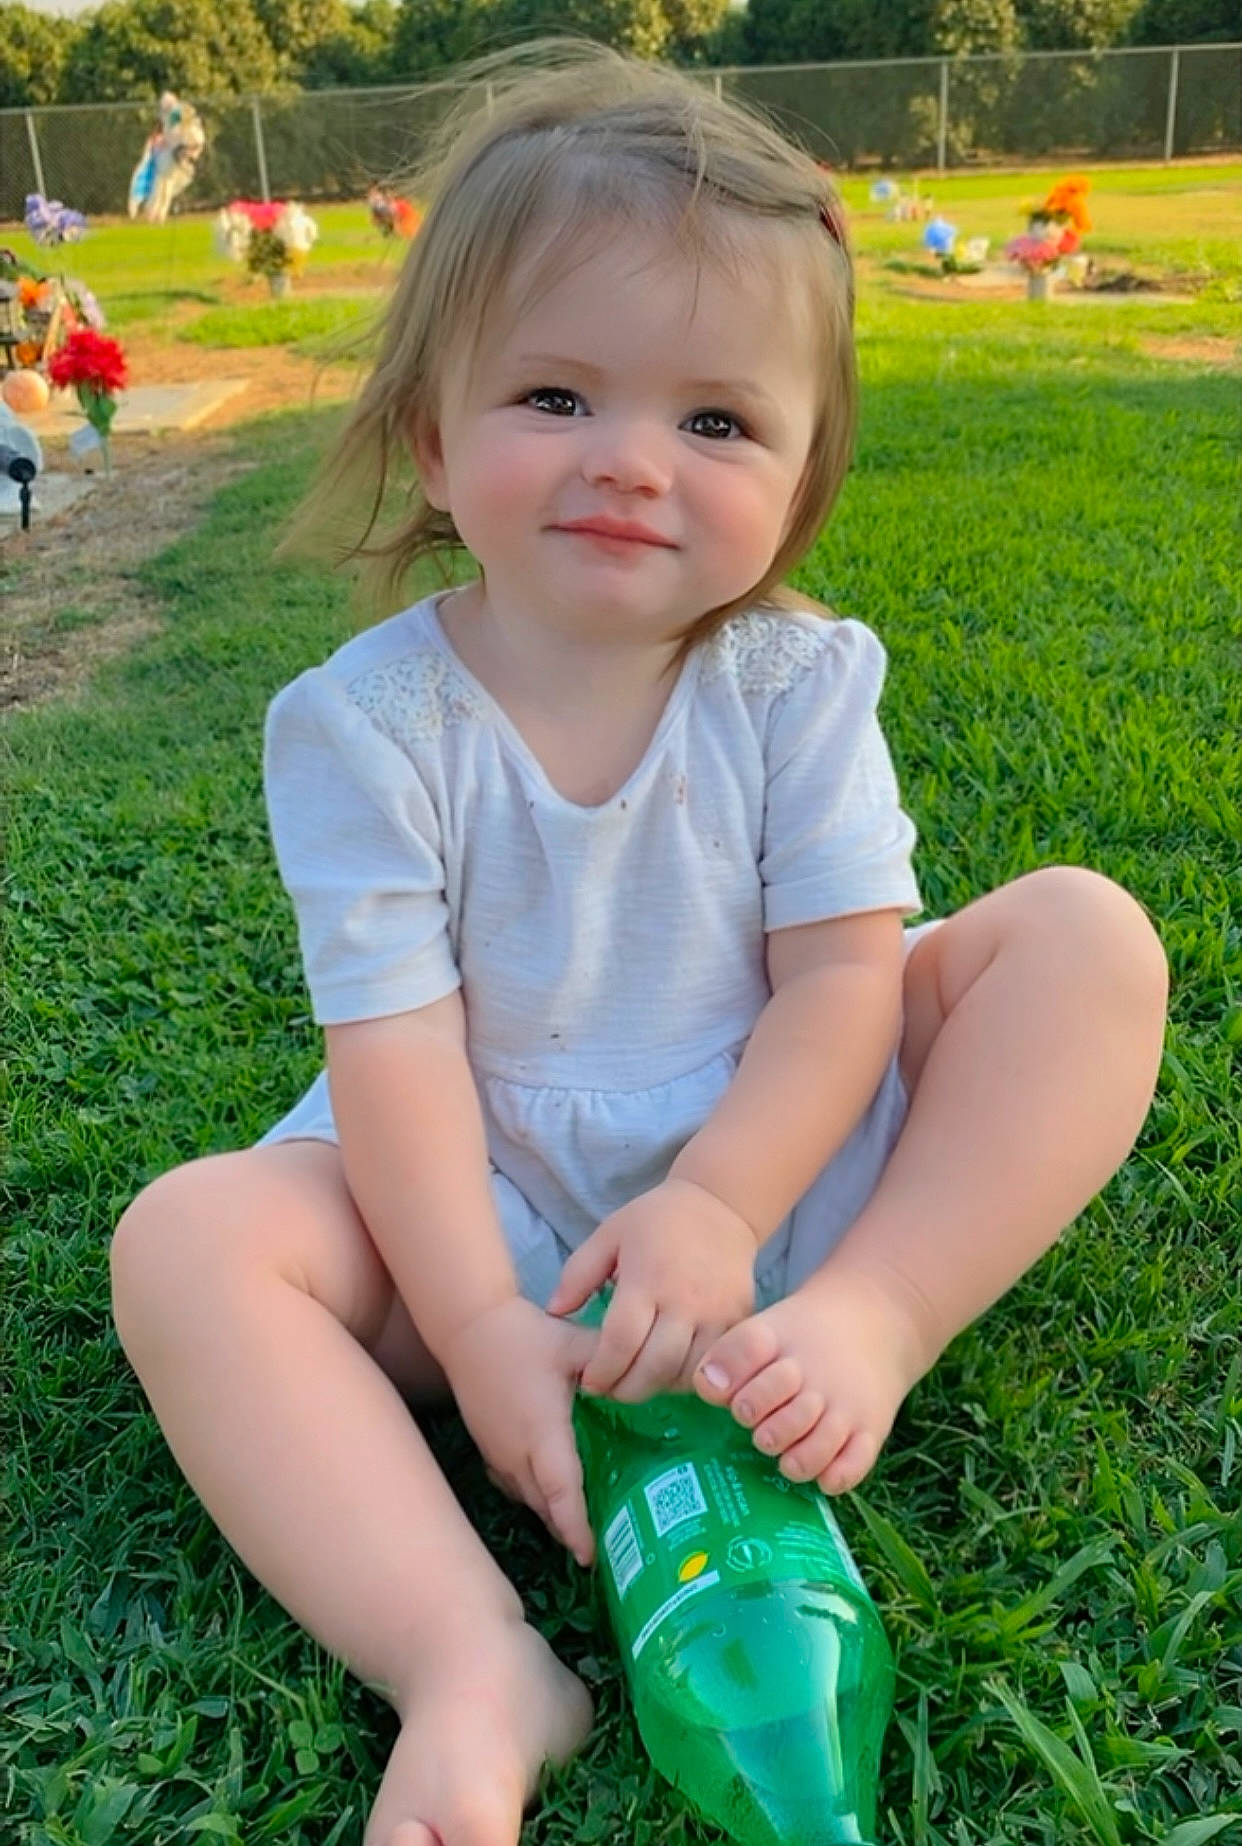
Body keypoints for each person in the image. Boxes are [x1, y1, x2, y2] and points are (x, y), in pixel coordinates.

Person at [110, 41, 1168, 1846]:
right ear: (433, 434)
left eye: (713, 421)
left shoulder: (795, 678)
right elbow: (397, 1056)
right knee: (187, 1239)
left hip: (782, 1158)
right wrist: (473, 1320)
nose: (629, 463)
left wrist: (732, 1211)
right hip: (489, 1191)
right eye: (553, 395)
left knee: (1081, 937)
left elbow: (843, 978)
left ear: (800, 474)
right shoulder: (367, 725)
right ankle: (467, 1658)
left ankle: (867, 1323)